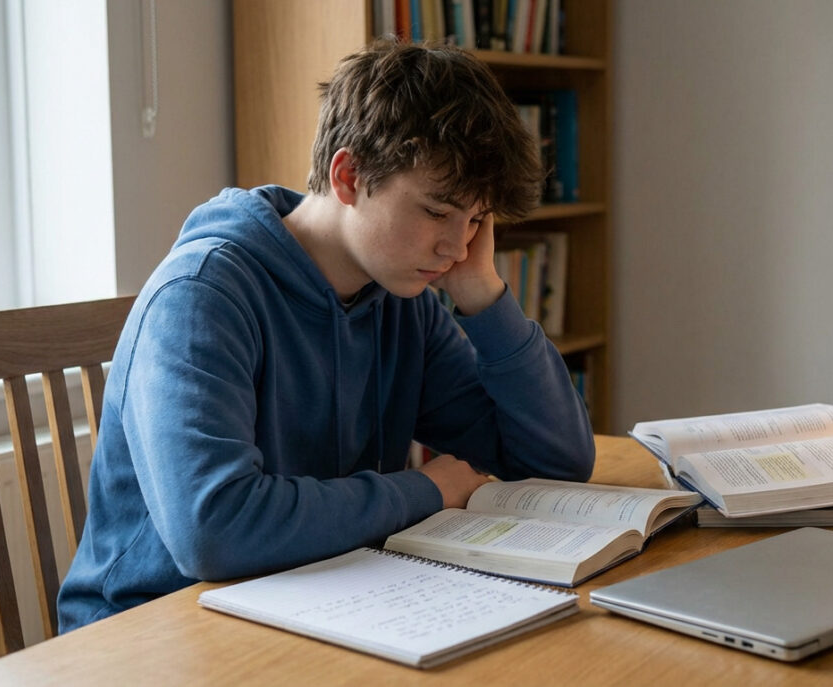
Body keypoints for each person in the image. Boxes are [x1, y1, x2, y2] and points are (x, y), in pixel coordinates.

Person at [57, 39, 595, 631]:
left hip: (316, 595)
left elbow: (555, 463)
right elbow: (213, 530)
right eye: (437, 212)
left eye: (475, 220)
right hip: (152, 628)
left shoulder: (400, 300)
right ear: (348, 175)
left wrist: (484, 294)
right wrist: (425, 490)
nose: (457, 246)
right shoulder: (200, 295)